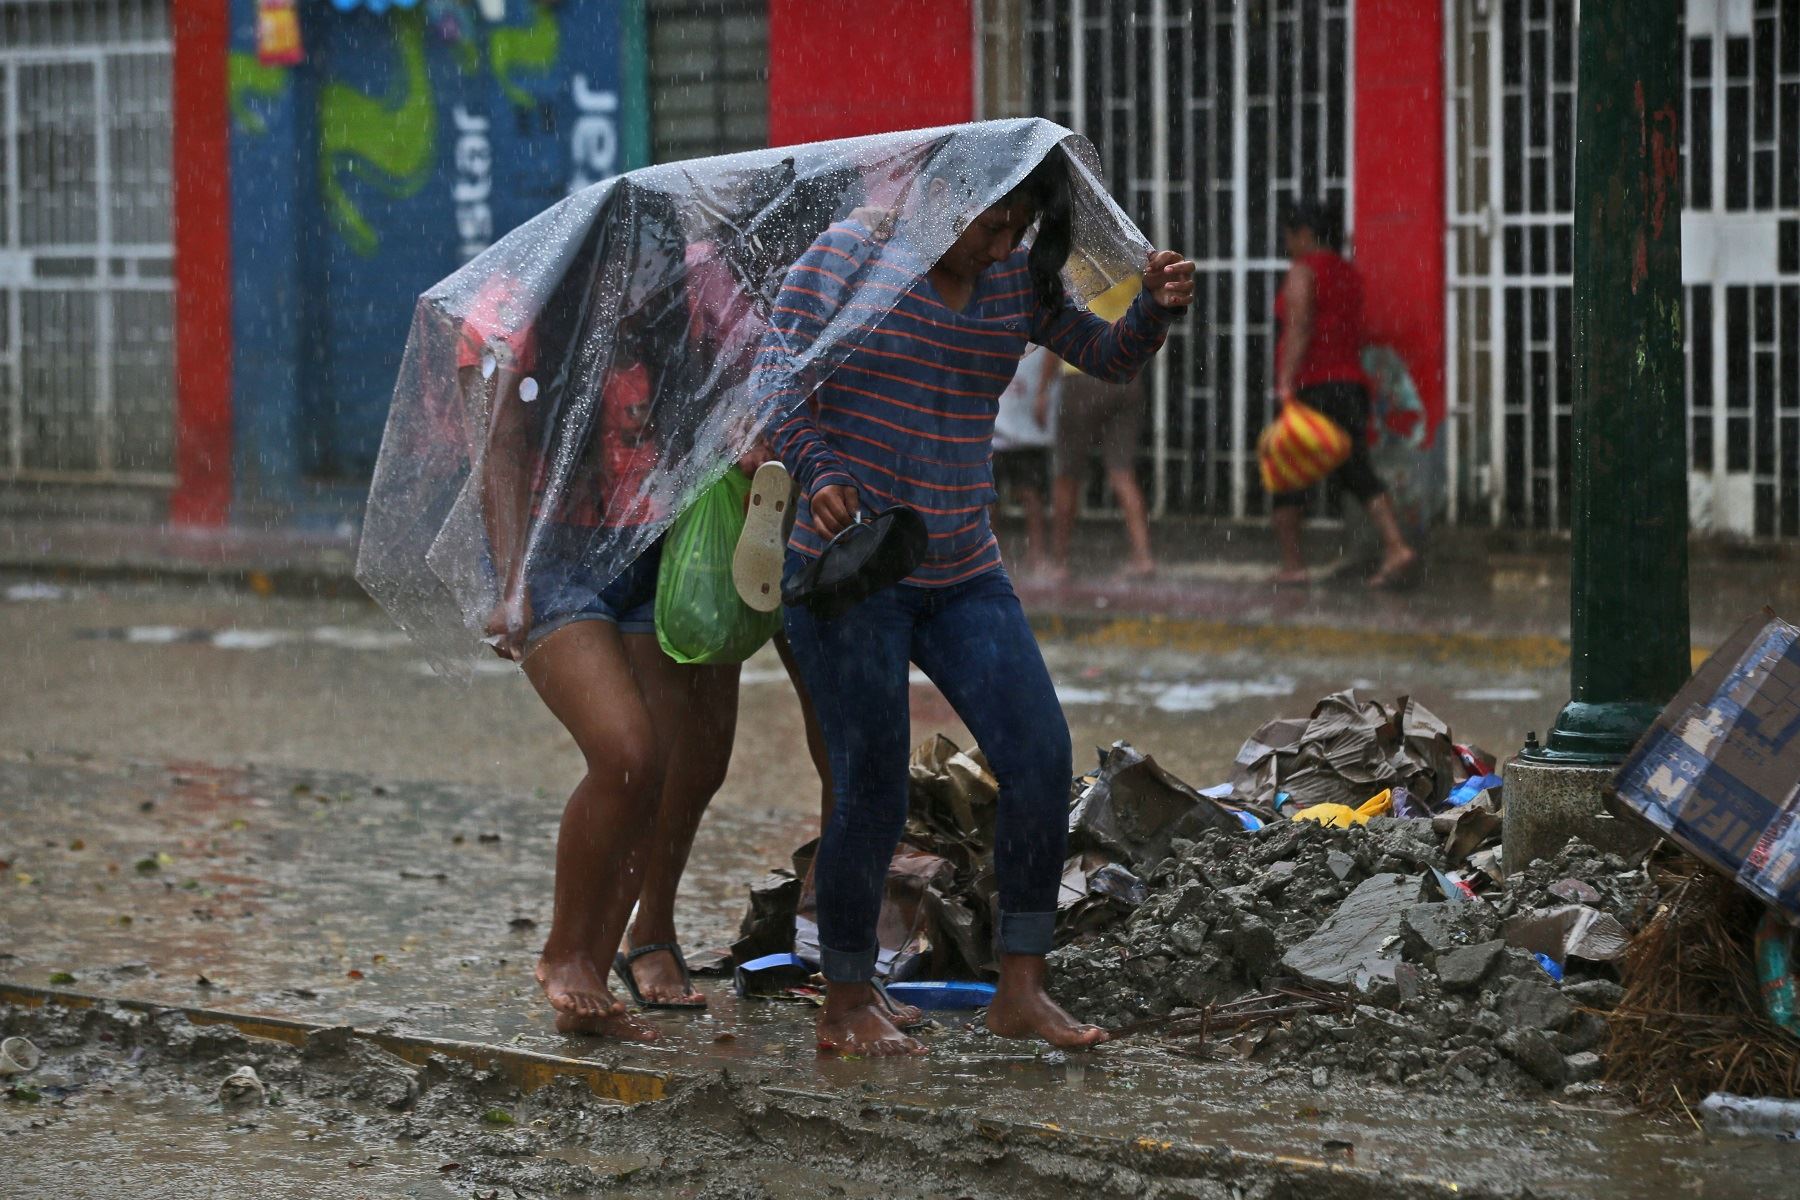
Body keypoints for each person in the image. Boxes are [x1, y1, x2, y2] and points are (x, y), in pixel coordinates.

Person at [758, 149, 1195, 1057]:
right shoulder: (846, 262)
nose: (1004, 244)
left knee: (1039, 754)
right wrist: (820, 470)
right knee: (870, 786)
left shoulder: (1014, 284)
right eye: (992, 223)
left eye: (1020, 229)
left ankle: (1020, 988)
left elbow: (1105, 357)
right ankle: (844, 1001)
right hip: (849, 573)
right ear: (939, 197)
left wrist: (1153, 308)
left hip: (962, 566)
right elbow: (773, 386)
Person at [1269, 197, 1417, 589]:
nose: (1287, 245)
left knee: (1288, 471)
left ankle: (1293, 563)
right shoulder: (1348, 274)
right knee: (1355, 469)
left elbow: (1299, 328)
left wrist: (1285, 382)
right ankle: (1395, 545)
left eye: (1289, 236)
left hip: (1314, 385)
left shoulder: (1303, 271)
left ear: (1304, 234)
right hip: (1349, 384)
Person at [1048, 276, 1158, 581]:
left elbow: (1054, 331)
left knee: (1067, 475)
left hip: (1081, 373)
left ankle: (1059, 561)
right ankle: (1143, 556)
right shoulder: (1131, 266)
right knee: (1122, 472)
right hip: (1125, 373)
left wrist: (1044, 389)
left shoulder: (1073, 268)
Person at [990, 344, 1059, 574]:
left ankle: (1037, 555)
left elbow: (1053, 351)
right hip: (995, 424)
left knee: (1030, 491)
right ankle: (991, 555)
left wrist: (1043, 391)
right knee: (989, 497)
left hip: (1026, 422)